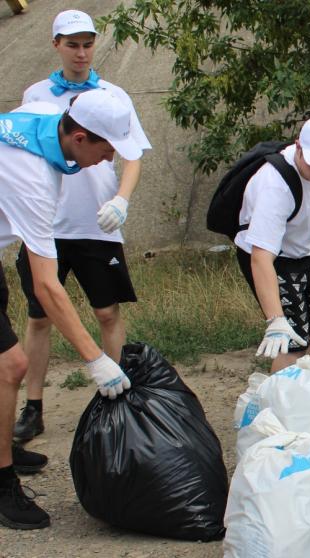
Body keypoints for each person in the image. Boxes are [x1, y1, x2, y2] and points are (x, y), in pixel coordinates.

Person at [0, 89, 142, 530]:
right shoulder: (34, 181)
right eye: (105, 149)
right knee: (11, 366)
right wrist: (96, 360)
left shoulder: (48, 115)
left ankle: (2, 443)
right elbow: (47, 286)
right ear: (79, 137)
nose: (108, 159)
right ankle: (3, 485)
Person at [13, 9, 151, 443]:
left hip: (97, 224)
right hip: (46, 224)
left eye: (88, 42)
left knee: (106, 311)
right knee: (39, 315)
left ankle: (115, 404)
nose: (81, 51)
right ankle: (32, 408)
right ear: (56, 45)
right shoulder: (36, 98)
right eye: (72, 43)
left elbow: (133, 155)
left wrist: (121, 200)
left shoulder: (112, 96)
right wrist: (92, 361)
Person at [235, 114, 310, 373]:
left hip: (304, 251)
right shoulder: (275, 185)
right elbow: (260, 257)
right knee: (291, 340)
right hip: (270, 258)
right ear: (299, 147)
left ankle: (304, 385)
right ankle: (280, 403)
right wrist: (276, 320)